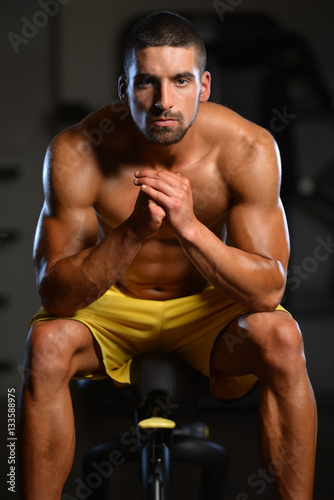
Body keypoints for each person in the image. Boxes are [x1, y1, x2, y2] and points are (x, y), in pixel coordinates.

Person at [18, 10, 317, 500]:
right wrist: (134, 230)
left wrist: (189, 227)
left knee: (282, 337)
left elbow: (268, 290)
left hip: (208, 311)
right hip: (112, 311)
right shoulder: (76, 151)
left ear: (204, 85)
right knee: (45, 346)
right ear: (123, 87)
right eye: (147, 83)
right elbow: (56, 295)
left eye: (180, 81)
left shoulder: (248, 148)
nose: (163, 102)